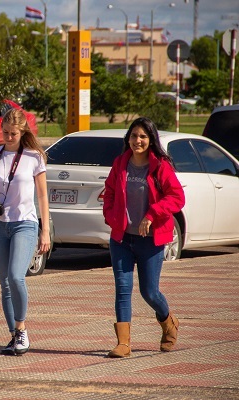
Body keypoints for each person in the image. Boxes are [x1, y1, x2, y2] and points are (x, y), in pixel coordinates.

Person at [103, 117, 185, 358]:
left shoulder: (160, 166)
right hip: (121, 239)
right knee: (123, 288)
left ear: (150, 140)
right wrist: (111, 217)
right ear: (127, 139)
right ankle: (124, 344)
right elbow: (109, 193)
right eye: (133, 136)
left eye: (142, 137)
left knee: (149, 292)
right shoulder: (120, 163)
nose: (137, 141)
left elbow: (177, 198)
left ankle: (168, 322)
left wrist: (151, 214)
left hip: (150, 241)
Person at [0, 108, 50, 356]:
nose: (8, 137)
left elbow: (42, 196)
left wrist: (45, 231)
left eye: (13, 133)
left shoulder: (34, 157)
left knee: (17, 276)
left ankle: (21, 330)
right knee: (5, 283)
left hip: (25, 224)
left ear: (22, 132)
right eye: (5, 132)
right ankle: (14, 336)